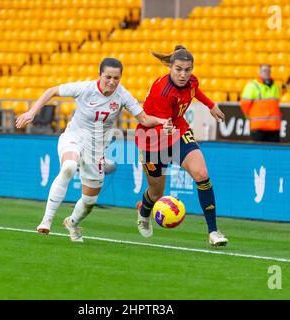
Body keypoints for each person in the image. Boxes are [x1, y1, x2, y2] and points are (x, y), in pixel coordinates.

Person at [16, 57, 171, 242]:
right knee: (69, 167)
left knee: (89, 202)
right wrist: (32, 112)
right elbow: (52, 91)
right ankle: (46, 221)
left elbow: (144, 119)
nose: (112, 82)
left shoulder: (122, 95)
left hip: (96, 150)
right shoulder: (85, 88)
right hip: (74, 137)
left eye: (116, 78)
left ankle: (72, 223)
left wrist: (161, 121)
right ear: (99, 75)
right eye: (108, 77)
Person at [135, 45, 228, 247]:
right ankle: (144, 212)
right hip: (152, 138)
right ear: (170, 67)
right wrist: (165, 129)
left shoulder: (191, 81)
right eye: (178, 69)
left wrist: (211, 105)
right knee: (156, 193)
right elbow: (156, 122)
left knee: (202, 174)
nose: (183, 74)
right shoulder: (163, 91)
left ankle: (213, 231)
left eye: (187, 69)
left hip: (177, 132)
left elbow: (196, 91)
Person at [240, 64, 281, 142]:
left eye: (268, 71)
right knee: (258, 152)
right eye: (264, 70)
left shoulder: (275, 86)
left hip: (273, 127)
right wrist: (251, 116)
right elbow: (244, 105)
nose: (267, 72)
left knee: (273, 152)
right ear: (259, 72)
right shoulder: (253, 86)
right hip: (258, 127)